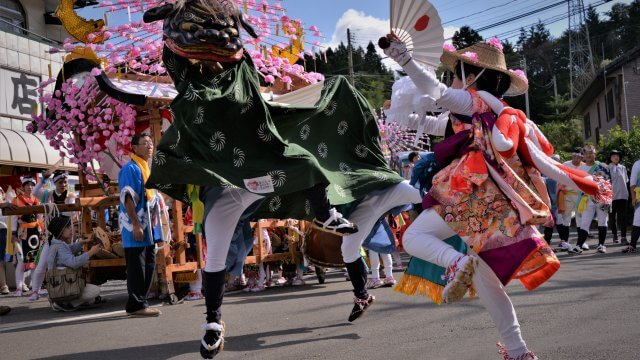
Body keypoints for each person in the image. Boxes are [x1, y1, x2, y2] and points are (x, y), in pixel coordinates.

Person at [142, 2, 419, 358]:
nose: (212, 58)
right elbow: (173, 54)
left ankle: (325, 214)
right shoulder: (189, 81)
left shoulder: (241, 73)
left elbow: (239, 55)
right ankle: (212, 322)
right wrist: (174, 16)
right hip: (224, 186)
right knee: (214, 259)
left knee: (305, 161)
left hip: (258, 171)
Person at [382, 34, 607, 360]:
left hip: (470, 193)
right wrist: (397, 112)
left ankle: (456, 262)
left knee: (415, 235)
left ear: (471, 77)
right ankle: (517, 351)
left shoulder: (477, 100)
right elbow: (425, 122)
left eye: (456, 73)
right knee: (489, 284)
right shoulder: (475, 113)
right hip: (495, 206)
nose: (452, 80)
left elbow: (438, 92)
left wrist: (404, 60)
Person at [119, 133, 163, 317]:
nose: (149, 146)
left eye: (151, 143)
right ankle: (137, 304)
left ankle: (138, 302)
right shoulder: (131, 168)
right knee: (138, 266)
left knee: (149, 264)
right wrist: (136, 224)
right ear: (134, 147)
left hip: (148, 228)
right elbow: (127, 197)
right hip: (135, 226)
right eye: (145, 143)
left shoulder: (145, 167)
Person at [29, 170, 77, 301]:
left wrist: (53, 208)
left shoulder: (70, 195)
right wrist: (43, 180)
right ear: (55, 183)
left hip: (65, 237)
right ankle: (35, 291)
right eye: (60, 182)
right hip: (50, 237)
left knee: (64, 265)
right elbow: (34, 193)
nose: (63, 184)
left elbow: (69, 213)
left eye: (65, 182)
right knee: (41, 265)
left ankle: (66, 289)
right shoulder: (48, 195)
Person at [46, 215, 104, 311]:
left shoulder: (57, 244)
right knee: (95, 291)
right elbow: (73, 263)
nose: (71, 230)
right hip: (63, 286)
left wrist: (82, 242)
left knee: (92, 299)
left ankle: (59, 300)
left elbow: (70, 249)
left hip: (58, 285)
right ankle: (67, 303)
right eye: (68, 228)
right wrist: (91, 252)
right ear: (60, 230)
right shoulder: (59, 246)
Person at [574, 144, 612, 254]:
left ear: (595, 154)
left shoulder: (603, 166)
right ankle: (579, 246)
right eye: (587, 153)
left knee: (602, 221)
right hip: (587, 198)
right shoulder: (581, 169)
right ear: (584, 155)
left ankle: (601, 245)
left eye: (592, 152)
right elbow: (578, 185)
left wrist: (608, 198)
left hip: (602, 198)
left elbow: (609, 183)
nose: (589, 155)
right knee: (585, 222)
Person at [10, 176, 42, 296]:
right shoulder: (16, 200)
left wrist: (41, 230)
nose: (30, 187)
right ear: (23, 187)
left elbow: (40, 218)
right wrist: (13, 233)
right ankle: (19, 288)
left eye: (32, 185)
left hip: (34, 233)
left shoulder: (36, 200)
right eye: (27, 185)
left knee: (35, 261)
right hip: (22, 233)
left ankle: (35, 288)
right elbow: (13, 218)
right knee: (21, 260)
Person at [556, 148, 585, 251]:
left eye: (579, 156)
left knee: (580, 219)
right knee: (566, 218)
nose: (577, 158)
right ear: (572, 156)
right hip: (567, 194)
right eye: (575, 156)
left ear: (582, 157)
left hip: (580, 195)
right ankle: (565, 242)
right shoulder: (566, 164)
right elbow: (559, 177)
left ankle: (581, 242)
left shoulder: (584, 166)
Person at [608, 150, 629, 245]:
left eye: (617, 156)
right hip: (611, 196)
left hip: (623, 195)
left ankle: (624, 236)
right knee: (612, 217)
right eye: (613, 156)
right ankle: (615, 234)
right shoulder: (607, 168)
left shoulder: (623, 167)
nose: (616, 157)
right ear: (610, 157)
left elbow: (626, 180)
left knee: (623, 217)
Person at [0, 191, 17, 295]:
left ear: (3, 194)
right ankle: (3, 286)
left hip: (10, 232)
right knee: (0, 261)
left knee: (15, 258)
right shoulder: (6, 204)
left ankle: (20, 284)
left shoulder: (9, 203)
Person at [623, 157, 640, 253]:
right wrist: (633, 197)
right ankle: (632, 245)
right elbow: (633, 182)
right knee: (638, 219)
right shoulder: (637, 164)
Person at [543, 154, 561, 245]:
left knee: (561, 222)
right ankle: (547, 241)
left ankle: (564, 241)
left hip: (560, 201)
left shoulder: (561, 170)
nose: (554, 161)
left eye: (556, 160)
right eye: (553, 159)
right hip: (548, 200)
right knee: (549, 223)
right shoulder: (544, 170)